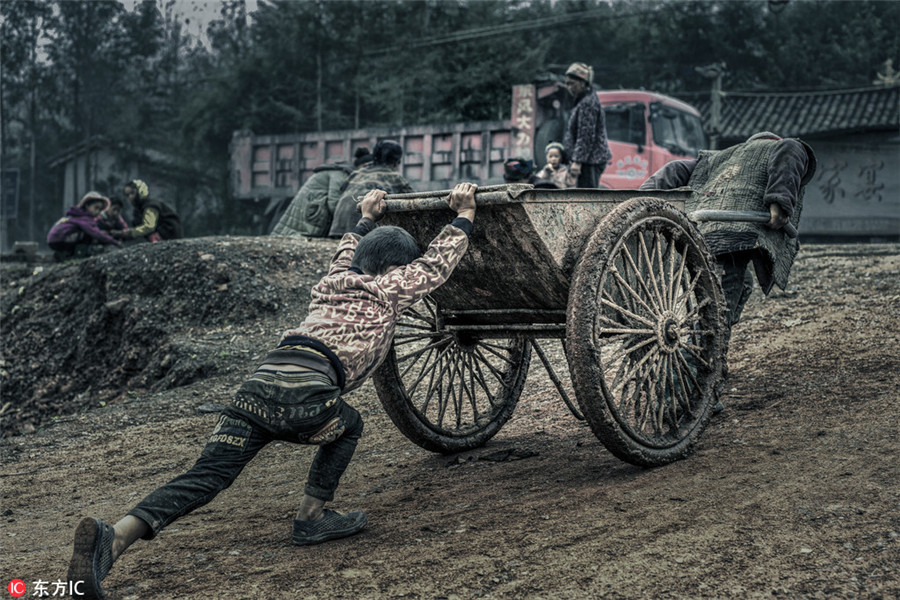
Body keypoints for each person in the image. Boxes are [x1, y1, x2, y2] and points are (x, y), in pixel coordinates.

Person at [67, 182, 481, 600]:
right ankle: (311, 518)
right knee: (349, 424)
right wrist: (464, 213)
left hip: (256, 388)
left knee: (206, 476)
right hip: (305, 400)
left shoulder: (333, 279)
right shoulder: (389, 288)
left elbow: (346, 247)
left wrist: (367, 216)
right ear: (395, 270)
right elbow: (434, 266)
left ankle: (113, 537)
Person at [639, 131, 816, 411]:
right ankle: (676, 393)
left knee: (731, 295)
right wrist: (780, 201)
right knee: (715, 321)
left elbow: (672, 171)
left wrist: (638, 205)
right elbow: (793, 149)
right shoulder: (779, 148)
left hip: (697, 240)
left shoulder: (715, 159)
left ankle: (708, 386)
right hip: (732, 240)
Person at [271, 147, 373, 237]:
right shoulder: (341, 174)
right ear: (363, 165)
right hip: (311, 208)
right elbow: (334, 203)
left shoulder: (343, 171)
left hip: (308, 205)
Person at [327, 140, 414, 237]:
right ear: (397, 162)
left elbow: (341, 191)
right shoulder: (394, 177)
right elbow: (414, 203)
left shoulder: (356, 173)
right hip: (362, 232)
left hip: (337, 229)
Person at [563, 62, 612, 188]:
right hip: (588, 160)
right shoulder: (583, 101)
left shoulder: (587, 103)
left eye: (572, 84)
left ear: (583, 83)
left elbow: (586, 135)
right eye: (567, 84)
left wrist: (577, 162)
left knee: (587, 199)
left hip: (590, 160)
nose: (569, 87)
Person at [47, 192, 123, 260]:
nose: (98, 212)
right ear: (87, 205)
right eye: (96, 208)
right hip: (59, 241)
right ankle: (76, 255)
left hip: (53, 240)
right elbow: (96, 234)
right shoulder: (85, 218)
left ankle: (66, 253)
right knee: (88, 235)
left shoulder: (78, 214)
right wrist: (115, 242)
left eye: (100, 209)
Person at [113, 180, 182, 243]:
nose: (130, 197)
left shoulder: (150, 206)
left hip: (169, 232)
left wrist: (131, 233)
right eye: (127, 195)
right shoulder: (139, 209)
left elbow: (149, 226)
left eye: (132, 193)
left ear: (140, 191)